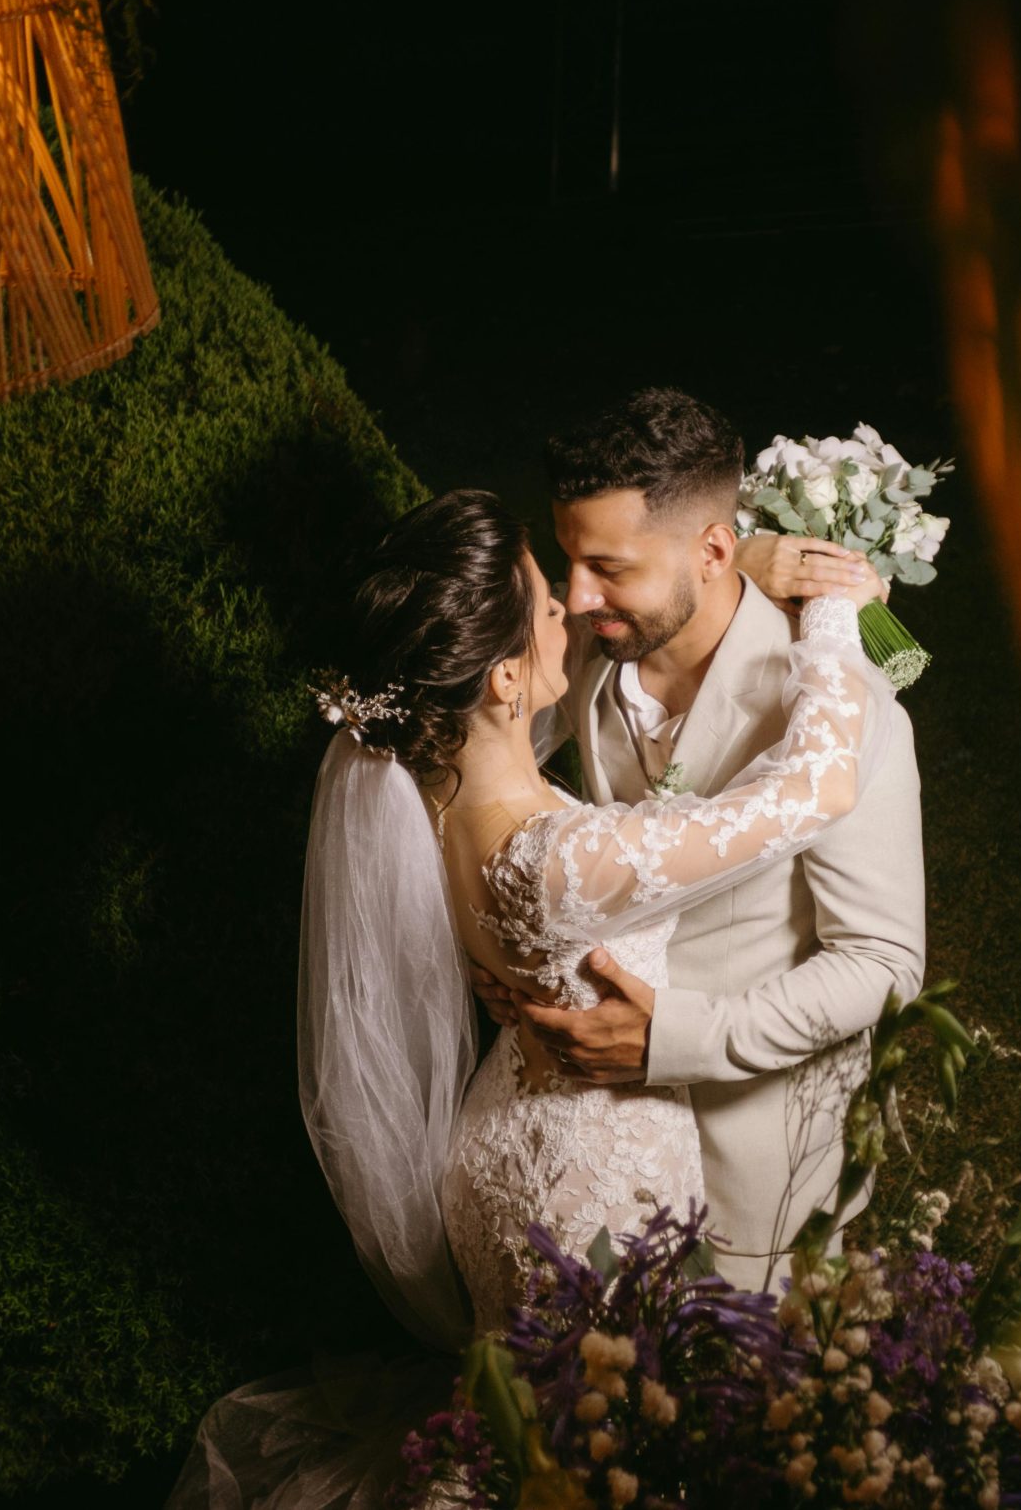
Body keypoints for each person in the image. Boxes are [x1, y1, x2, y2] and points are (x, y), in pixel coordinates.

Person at [310, 487, 881, 1332]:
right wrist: (833, 613)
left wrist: (738, 566)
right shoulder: (565, 859)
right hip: (593, 1188)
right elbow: (820, 786)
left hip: (493, 1147)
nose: (570, 609)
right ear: (505, 676)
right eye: (546, 604)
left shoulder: (422, 785)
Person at [492, 387, 929, 1289]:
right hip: (585, 1143)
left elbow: (884, 962)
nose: (577, 596)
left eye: (608, 567)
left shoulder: (840, 710)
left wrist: (674, 1039)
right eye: (570, 559)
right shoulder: (591, 645)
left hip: (752, 1158)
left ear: (715, 550)